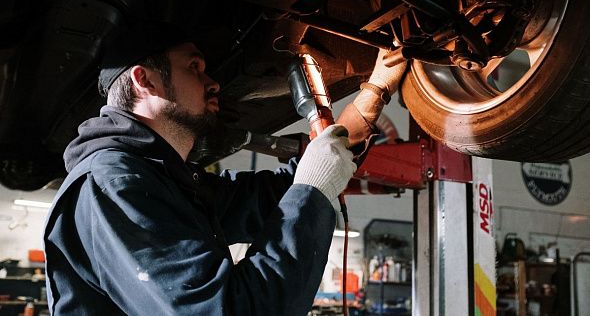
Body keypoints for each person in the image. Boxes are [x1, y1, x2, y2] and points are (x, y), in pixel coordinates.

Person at [43, 21, 407, 315]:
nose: (213, 81)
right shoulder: (112, 184)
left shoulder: (164, 180)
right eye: (194, 66)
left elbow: (272, 198)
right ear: (145, 81)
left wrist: (373, 94)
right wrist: (313, 190)